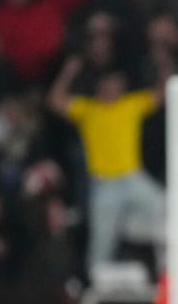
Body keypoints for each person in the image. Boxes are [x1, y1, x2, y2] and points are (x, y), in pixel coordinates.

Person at [48, 56, 168, 272]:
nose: (113, 88)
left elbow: (165, 90)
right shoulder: (88, 109)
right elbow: (55, 100)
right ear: (100, 86)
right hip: (104, 185)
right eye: (109, 84)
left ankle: (167, 269)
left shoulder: (132, 104)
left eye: (118, 84)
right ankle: (95, 297)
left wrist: (162, 61)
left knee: (166, 209)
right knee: (100, 249)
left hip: (133, 177)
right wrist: (68, 72)